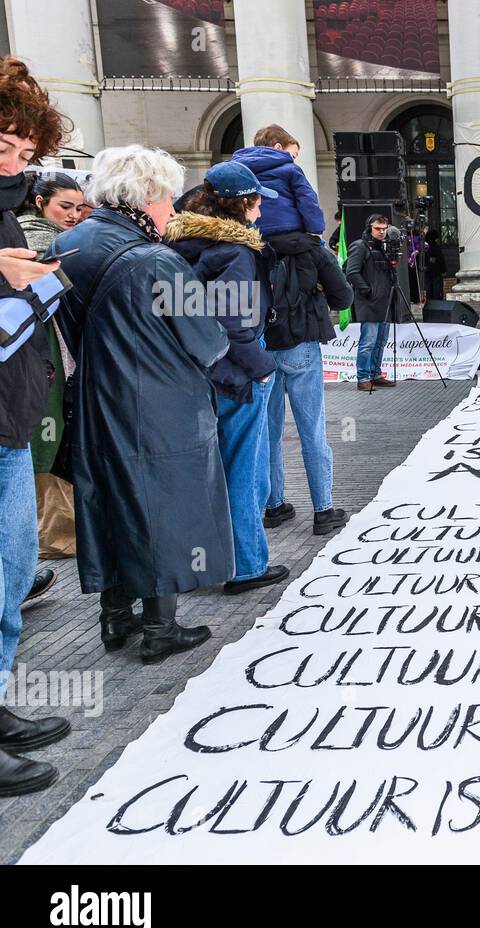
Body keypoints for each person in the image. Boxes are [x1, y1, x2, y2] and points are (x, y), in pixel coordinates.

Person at [50, 144, 233, 675]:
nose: (172, 211)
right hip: (159, 402)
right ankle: (160, 627)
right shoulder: (157, 258)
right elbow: (206, 340)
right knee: (163, 505)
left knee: (106, 498)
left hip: (91, 395)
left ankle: (115, 617)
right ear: (146, 195)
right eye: (168, 199)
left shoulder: (68, 243)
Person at [166, 161, 289, 597]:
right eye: (257, 203)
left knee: (209, 470)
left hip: (196, 371)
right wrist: (262, 367)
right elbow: (234, 323)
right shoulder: (235, 252)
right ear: (243, 204)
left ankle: (204, 559)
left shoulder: (181, 246)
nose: (261, 212)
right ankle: (247, 564)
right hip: (235, 373)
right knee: (244, 469)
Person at [0, 55, 71, 796]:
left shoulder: (7, 206)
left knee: (15, 568)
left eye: (25, 153)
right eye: (2, 148)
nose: (17, 165)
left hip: (10, 412)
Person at [259, 225, 353, 540]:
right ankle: (323, 510)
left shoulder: (255, 246)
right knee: (312, 430)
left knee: (269, 432)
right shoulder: (313, 250)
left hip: (264, 347)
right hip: (301, 342)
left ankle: (274, 505)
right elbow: (343, 297)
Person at [18, 172, 83, 560]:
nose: (74, 214)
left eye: (79, 207)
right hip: (40, 357)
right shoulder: (40, 241)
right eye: (65, 206)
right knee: (47, 439)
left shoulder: (59, 241)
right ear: (41, 203)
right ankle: (53, 534)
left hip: (47, 355)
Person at [231, 123, 325, 238]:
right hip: (288, 229)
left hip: (252, 230)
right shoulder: (291, 169)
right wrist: (315, 229)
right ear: (278, 147)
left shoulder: (241, 168)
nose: (293, 160)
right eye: (293, 156)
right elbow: (307, 199)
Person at [345, 213, 397, 390]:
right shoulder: (360, 246)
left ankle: (375, 374)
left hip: (384, 302)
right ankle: (363, 378)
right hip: (369, 302)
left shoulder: (382, 246)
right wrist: (367, 290)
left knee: (380, 342)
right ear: (369, 228)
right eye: (378, 229)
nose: (382, 232)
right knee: (368, 342)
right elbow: (351, 271)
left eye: (384, 229)